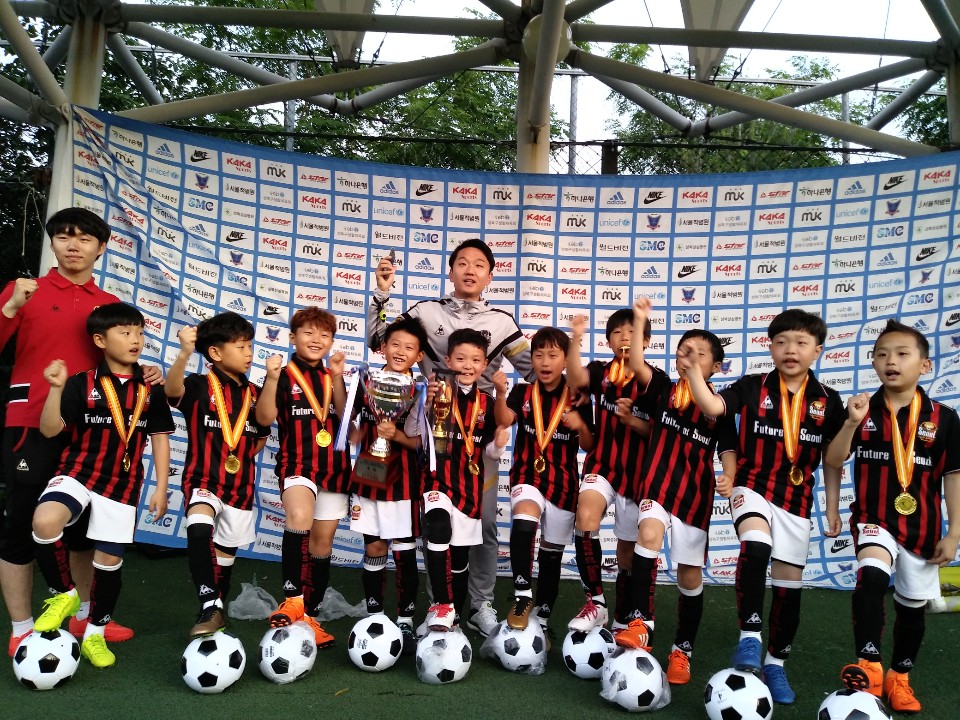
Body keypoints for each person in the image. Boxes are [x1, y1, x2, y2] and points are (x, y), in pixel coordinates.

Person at [678, 308, 845, 705]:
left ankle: (775, 664)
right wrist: (695, 372)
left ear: (817, 350)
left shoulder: (828, 400)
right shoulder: (752, 386)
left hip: (797, 500)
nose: (791, 350)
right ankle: (750, 636)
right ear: (770, 347)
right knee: (756, 545)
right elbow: (713, 408)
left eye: (801, 342)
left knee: (789, 590)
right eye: (781, 342)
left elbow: (834, 460)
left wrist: (833, 508)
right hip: (751, 486)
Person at [368, 238, 534, 636]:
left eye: (479, 265)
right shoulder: (425, 312)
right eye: (462, 262)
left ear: (490, 276)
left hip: (477, 440)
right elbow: (379, 341)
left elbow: (536, 371)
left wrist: (506, 409)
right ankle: (438, 604)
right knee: (435, 523)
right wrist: (382, 295)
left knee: (485, 523)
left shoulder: (502, 322)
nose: (470, 270)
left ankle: (480, 604)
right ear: (450, 270)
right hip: (431, 434)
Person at [0, 207, 144, 656]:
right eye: (64, 236)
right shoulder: (25, 291)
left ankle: (84, 617)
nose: (73, 245)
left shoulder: (108, 304)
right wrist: (10, 307)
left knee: (82, 530)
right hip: (30, 423)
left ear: (101, 247)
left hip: (90, 431)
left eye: (84, 238)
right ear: (53, 243)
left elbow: (120, 364)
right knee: (22, 524)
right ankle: (21, 627)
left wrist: (148, 375)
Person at [824, 319, 960, 714]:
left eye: (902, 354)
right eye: (881, 354)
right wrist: (851, 422)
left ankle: (899, 677)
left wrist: (954, 533)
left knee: (912, 609)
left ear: (925, 365)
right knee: (871, 575)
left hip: (923, 527)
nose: (891, 361)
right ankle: (869, 665)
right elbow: (833, 459)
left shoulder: (944, 418)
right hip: (873, 518)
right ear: (873, 362)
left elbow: (954, 477)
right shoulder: (860, 410)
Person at [28, 303, 173, 667]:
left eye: (139, 332)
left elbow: (159, 438)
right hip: (78, 471)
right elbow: (49, 430)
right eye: (125, 333)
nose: (135, 339)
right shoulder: (81, 383)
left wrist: (160, 487)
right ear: (100, 340)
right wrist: (55, 389)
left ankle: (94, 634)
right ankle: (64, 594)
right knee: (45, 521)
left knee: (109, 562)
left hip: (123, 482)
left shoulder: (151, 386)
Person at [614, 298, 738, 685]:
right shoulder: (663, 388)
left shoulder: (719, 406)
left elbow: (728, 449)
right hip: (657, 485)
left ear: (715, 367)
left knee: (689, 576)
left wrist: (729, 475)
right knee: (647, 534)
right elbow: (637, 364)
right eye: (685, 350)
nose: (690, 357)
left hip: (695, 497)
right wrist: (640, 320)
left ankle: (682, 651)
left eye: (700, 353)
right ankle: (641, 623)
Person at [165, 312, 270, 637]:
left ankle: (214, 611)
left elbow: (261, 434)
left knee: (224, 559)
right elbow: (171, 391)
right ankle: (210, 604)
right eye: (241, 346)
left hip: (240, 487)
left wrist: (238, 455)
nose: (249, 353)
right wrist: (183, 354)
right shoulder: (198, 385)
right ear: (215, 352)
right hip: (203, 479)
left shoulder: (256, 393)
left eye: (250, 346)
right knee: (199, 525)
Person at [255, 307, 349, 649]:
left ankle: (311, 613)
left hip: (334, 467)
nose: (316, 339)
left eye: (324, 334)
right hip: (297, 464)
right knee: (298, 515)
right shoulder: (282, 375)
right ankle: (293, 598)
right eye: (308, 332)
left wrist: (337, 377)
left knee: (322, 542)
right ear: (293, 337)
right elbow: (263, 419)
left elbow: (345, 418)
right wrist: (270, 379)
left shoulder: (332, 376)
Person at [492, 326, 593, 644]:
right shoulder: (523, 392)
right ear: (532, 359)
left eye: (552, 355)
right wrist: (499, 393)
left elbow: (589, 444)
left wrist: (580, 425)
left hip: (564, 483)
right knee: (524, 519)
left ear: (565, 360)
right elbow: (504, 420)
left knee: (552, 554)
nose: (545, 362)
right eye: (538, 355)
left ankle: (544, 617)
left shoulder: (578, 397)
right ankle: (522, 593)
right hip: (527, 474)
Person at [565, 307, 659, 634]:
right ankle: (596, 602)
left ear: (646, 341)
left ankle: (621, 619)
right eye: (617, 333)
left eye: (632, 332)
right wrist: (576, 338)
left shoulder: (656, 381)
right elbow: (576, 378)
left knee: (627, 554)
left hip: (639, 476)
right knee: (585, 515)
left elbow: (658, 432)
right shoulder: (601, 372)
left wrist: (631, 420)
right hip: (603, 465)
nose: (624, 338)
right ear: (608, 342)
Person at [347, 317, 428, 654]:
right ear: (383, 347)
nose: (400, 351)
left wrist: (398, 436)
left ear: (419, 355)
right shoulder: (365, 380)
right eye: (395, 344)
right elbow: (348, 422)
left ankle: (405, 619)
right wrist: (355, 434)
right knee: (375, 547)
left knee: (404, 550)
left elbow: (426, 443)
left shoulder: (423, 389)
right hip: (369, 470)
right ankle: (375, 616)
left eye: (409, 347)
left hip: (404, 476)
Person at [422, 329, 508, 631]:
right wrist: (425, 404)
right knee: (437, 527)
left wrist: (499, 445)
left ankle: (455, 617)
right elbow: (418, 432)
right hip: (436, 480)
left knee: (459, 557)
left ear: (484, 364)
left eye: (475, 360)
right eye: (460, 359)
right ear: (448, 361)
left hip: (469, 487)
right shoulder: (434, 392)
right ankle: (440, 606)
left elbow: (490, 450)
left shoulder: (487, 403)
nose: (467, 365)